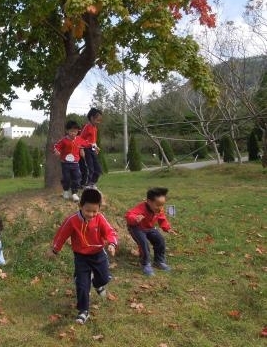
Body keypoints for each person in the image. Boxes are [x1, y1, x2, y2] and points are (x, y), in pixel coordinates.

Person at [48, 188, 118, 325]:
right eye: (88, 211)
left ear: (99, 209)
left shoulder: (100, 218)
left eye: (95, 211)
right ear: (80, 205)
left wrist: (112, 244)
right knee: (82, 284)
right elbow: (61, 235)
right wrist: (54, 250)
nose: (91, 214)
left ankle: (98, 284)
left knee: (104, 278)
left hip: (98, 254)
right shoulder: (72, 220)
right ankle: (83, 311)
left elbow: (110, 232)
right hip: (81, 257)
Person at [124, 187, 178, 276]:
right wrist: (135, 219)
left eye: (162, 205)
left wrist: (167, 228)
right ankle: (145, 264)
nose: (160, 208)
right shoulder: (141, 208)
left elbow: (162, 219)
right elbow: (129, 215)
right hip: (137, 228)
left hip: (149, 228)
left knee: (160, 240)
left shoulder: (159, 209)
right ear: (149, 201)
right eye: (158, 205)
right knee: (143, 243)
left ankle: (159, 261)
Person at [53, 120, 85, 202]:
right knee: (66, 178)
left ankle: (74, 193)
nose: (73, 133)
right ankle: (66, 191)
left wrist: (83, 149)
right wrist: (56, 151)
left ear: (78, 131)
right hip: (65, 163)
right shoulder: (64, 140)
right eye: (71, 131)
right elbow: (56, 146)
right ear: (67, 131)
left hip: (75, 163)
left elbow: (85, 143)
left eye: (75, 131)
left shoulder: (79, 139)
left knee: (77, 177)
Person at [79, 108, 103, 189]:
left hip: (92, 150)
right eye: (97, 120)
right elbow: (81, 139)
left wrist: (96, 147)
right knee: (90, 168)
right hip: (86, 150)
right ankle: (87, 184)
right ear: (92, 118)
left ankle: (92, 183)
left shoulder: (95, 128)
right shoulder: (87, 127)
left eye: (100, 120)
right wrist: (81, 149)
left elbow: (93, 141)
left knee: (98, 169)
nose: (99, 122)